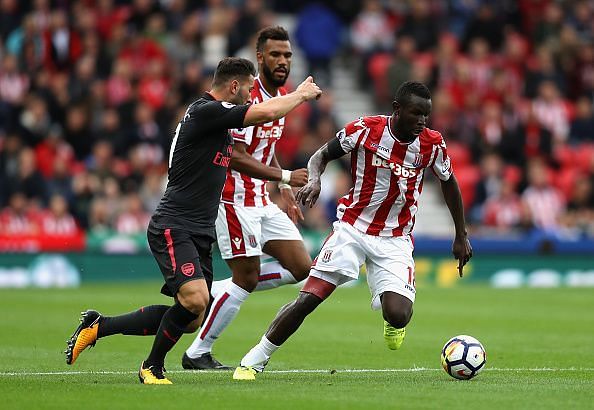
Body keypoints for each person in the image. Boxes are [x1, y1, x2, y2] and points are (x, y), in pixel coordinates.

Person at [64, 57, 322, 385]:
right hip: (175, 223)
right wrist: (300, 94)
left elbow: (242, 161)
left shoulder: (215, 125)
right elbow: (267, 112)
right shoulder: (206, 111)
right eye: (247, 90)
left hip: (199, 229)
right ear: (233, 86)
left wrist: (282, 181)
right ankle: (151, 368)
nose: (250, 97)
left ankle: (99, 326)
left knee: (190, 317)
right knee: (196, 299)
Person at [233, 81, 473, 380]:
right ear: (397, 110)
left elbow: (448, 181)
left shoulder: (432, 144)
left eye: (426, 115)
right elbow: (321, 155)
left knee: (398, 314)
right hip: (353, 228)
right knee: (309, 297)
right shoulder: (366, 130)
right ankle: (254, 359)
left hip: (395, 238)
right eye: (416, 114)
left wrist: (460, 233)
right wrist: (316, 179)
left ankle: (390, 317)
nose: (422, 121)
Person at [182, 26, 315, 370]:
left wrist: (283, 189)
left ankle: (221, 291)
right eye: (275, 55)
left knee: (302, 267)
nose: (283, 61)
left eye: (287, 55)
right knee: (247, 277)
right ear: (260, 58)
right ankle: (197, 353)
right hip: (232, 200)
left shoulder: (281, 94)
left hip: (262, 201)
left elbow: (265, 150)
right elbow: (237, 156)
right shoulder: (245, 98)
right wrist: (285, 177)